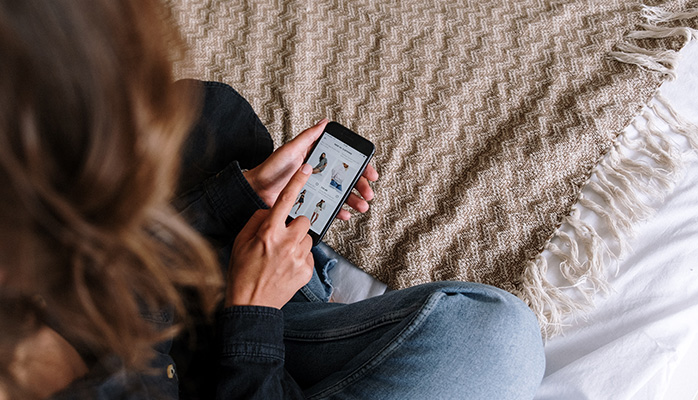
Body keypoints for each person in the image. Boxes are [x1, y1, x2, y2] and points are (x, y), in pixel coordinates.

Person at [0, 0, 546, 399]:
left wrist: (238, 197)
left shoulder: (43, 277)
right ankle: (282, 284)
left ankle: (265, 260)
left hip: (175, 312)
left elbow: (121, 287)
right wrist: (253, 312)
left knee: (212, 115)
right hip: (226, 364)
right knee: (498, 339)